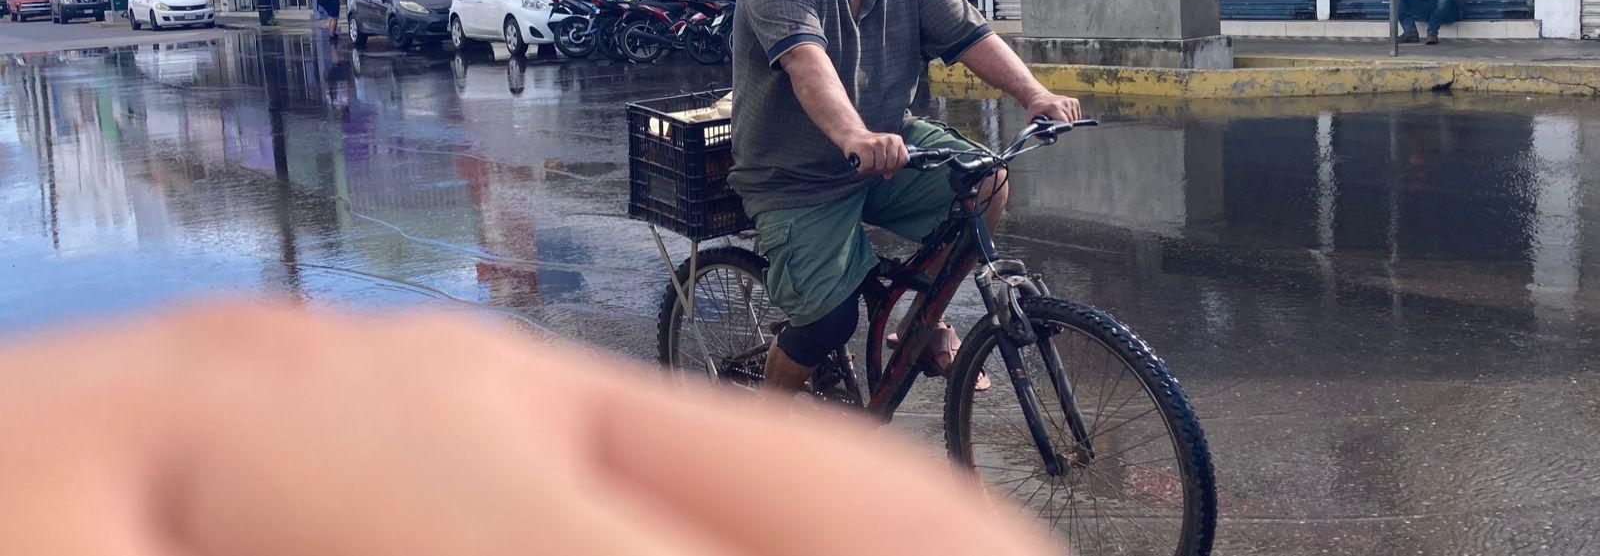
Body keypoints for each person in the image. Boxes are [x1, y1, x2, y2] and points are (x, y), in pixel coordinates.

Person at [0, 303, 1053, 555]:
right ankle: (783, 399)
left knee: (957, 198)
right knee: (821, 299)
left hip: (879, 160)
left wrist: (1028, 92)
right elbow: (804, 72)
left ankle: (917, 331)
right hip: (803, 166)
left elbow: (966, 36)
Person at [730, 0, 1082, 393]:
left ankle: (923, 324)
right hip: (797, 179)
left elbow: (971, 35)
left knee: (986, 183)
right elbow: (804, 59)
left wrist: (1034, 93)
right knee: (828, 323)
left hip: (888, 150)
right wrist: (854, 135)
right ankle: (766, 429)